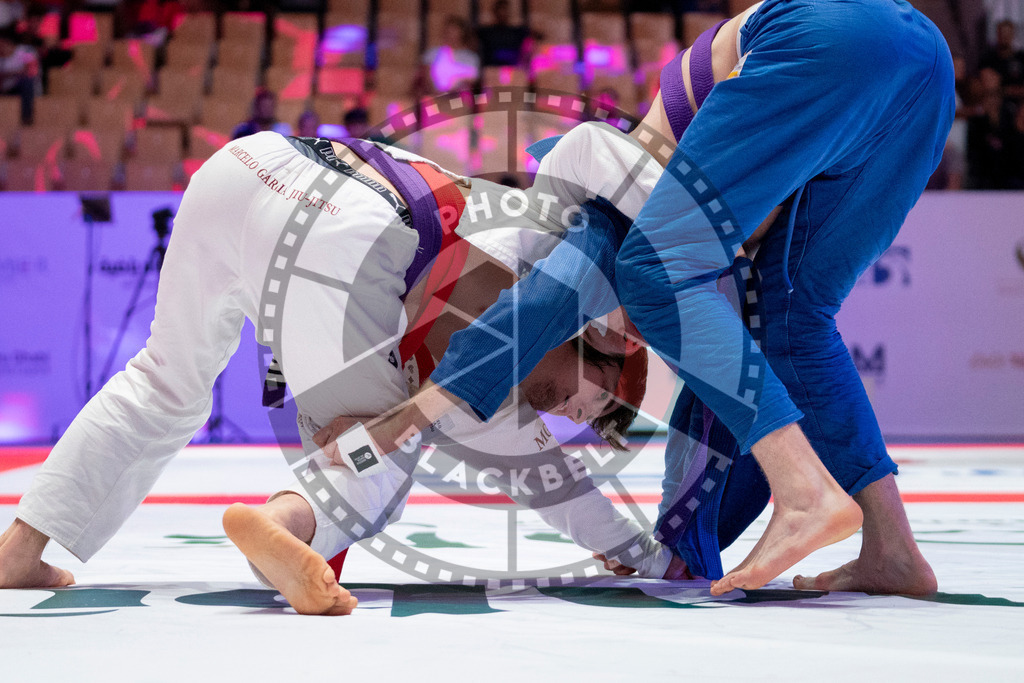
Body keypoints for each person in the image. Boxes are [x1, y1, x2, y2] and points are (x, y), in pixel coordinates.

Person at [339, 0, 954, 598]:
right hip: (922, 66)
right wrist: (680, 546)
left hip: (823, 34)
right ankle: (893, 549)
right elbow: (711, 412)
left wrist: (403, 422)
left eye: (590, 402)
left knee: (655, 273)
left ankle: (805, 492)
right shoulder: (664, 256)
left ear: (600, 340)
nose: (566, 414)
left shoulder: (590, 208)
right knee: (791, 322)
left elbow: (541, 304)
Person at [0, 130, 684, 614]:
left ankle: (19, 549)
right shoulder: (551, 250)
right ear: (596, 334)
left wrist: (642, 553)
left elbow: (558, 487)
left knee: (163, 382)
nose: (571, 413)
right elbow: (588, 147)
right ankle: (279, 522)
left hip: (245, 170)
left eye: (579, 420)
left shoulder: (496, 398)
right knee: (378, 459)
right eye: (594, 396)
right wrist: (706, 239)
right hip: (349, 226)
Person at [0, 24, 38, 124]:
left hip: (17, 89)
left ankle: (26, 117)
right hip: (3, 88)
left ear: (7, 42)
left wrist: (8, 74)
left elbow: (31, 70)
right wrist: (17, 72)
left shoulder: (25, 51)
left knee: (27, 81)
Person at [477, 0, 531, 68]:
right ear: (495, 12)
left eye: (505, 10)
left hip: (514, 69)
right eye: (500, 10)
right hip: (491, 68)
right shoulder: (486, 32)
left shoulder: (518, 32)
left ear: (509, 12)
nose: (502, 13)